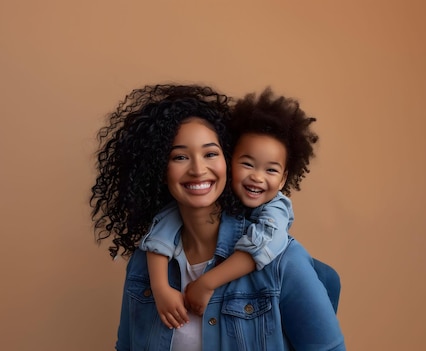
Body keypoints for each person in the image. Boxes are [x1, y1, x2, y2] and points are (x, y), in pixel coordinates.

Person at [91, 84, 345, 350]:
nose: (198, 169)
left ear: (227, 159)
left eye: (211, 153)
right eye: (179, 156)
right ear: (157, 168)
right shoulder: (145, 263)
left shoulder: (280, 260)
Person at [139, 87, 319, 327]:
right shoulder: (163, 236)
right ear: (231, 161)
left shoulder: (277, 217)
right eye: (247, 164)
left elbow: (264, 243)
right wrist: (160, 288)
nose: (257, 177)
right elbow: (162, 227)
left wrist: (207, 282)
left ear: (284, 178)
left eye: (271, 170)